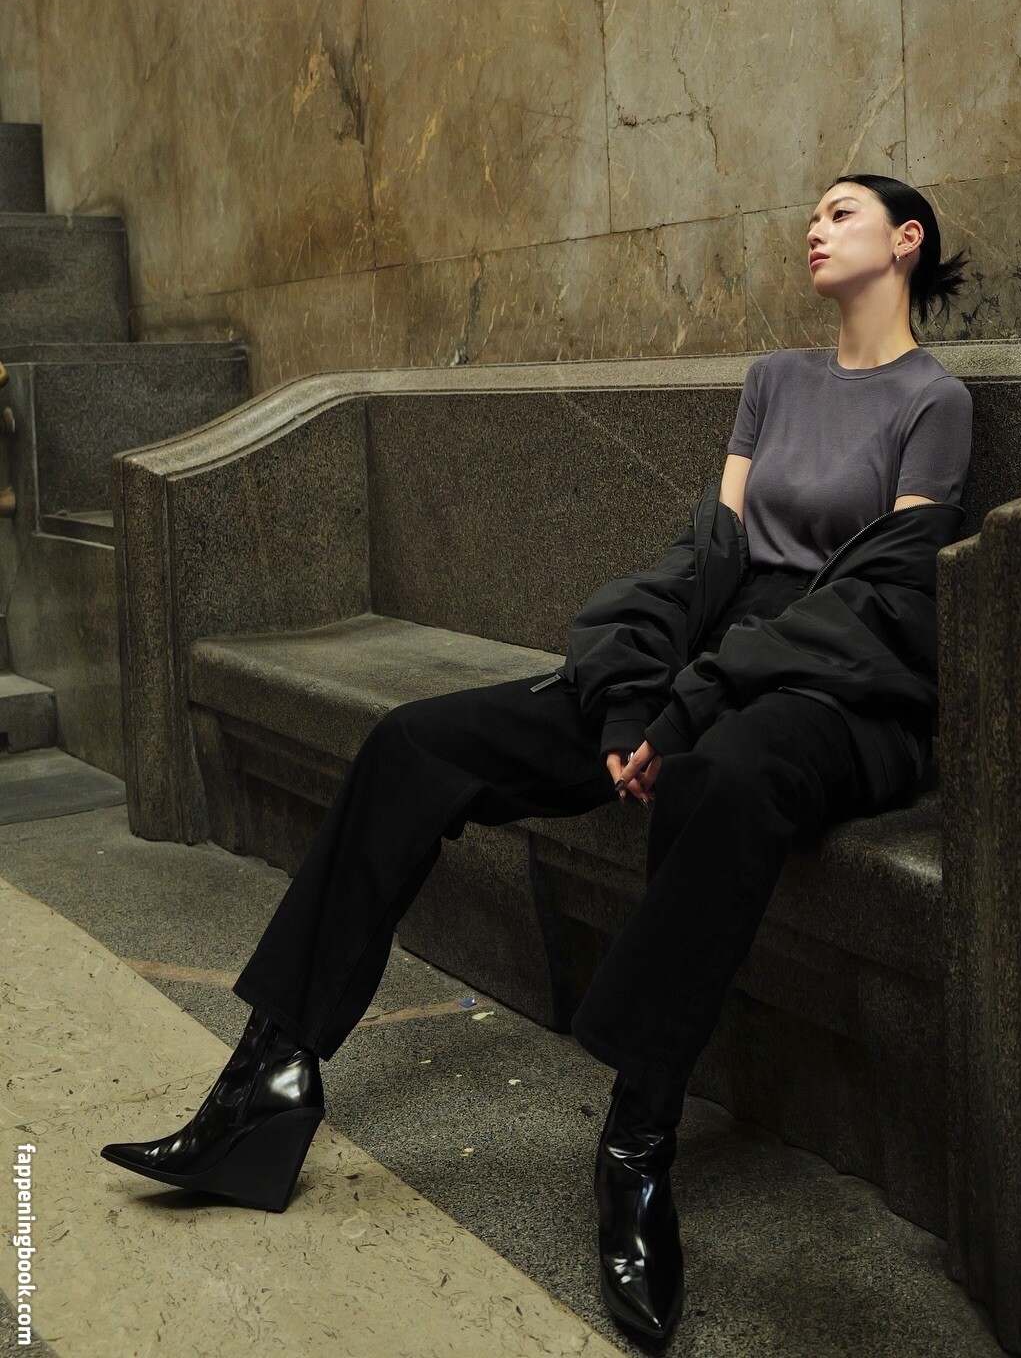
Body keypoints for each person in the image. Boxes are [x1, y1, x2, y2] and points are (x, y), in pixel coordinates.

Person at [100, 172, 974, 1345]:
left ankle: (637, 1147)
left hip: (834, 684)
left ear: (907, 240)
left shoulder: (934, 400)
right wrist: (631, 700)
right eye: (811, 215)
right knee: (415, 743)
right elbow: (705, 557)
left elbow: (882, 595)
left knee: (722, 776)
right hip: (707, 660)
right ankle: (267, 1078)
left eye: (843, 212)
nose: (815, 229)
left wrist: (694, 707)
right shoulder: (775, 380)